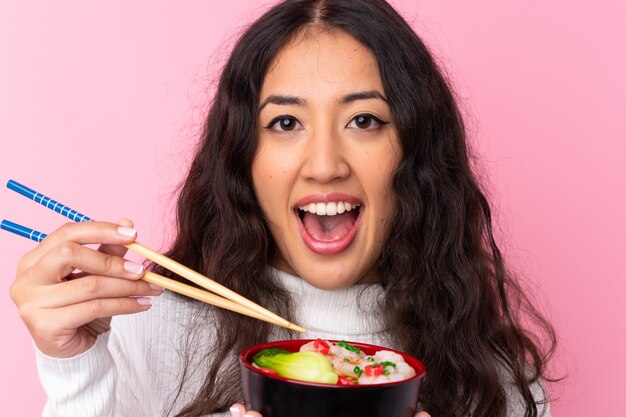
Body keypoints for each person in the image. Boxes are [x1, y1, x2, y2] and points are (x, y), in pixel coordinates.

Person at [9, 0, 556, 416]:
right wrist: (73, 365)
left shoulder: (501, 379)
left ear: (415, 150)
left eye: (364, 120)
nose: (324, 165)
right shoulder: (152, 326)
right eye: (286, 123)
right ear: (243, 156)